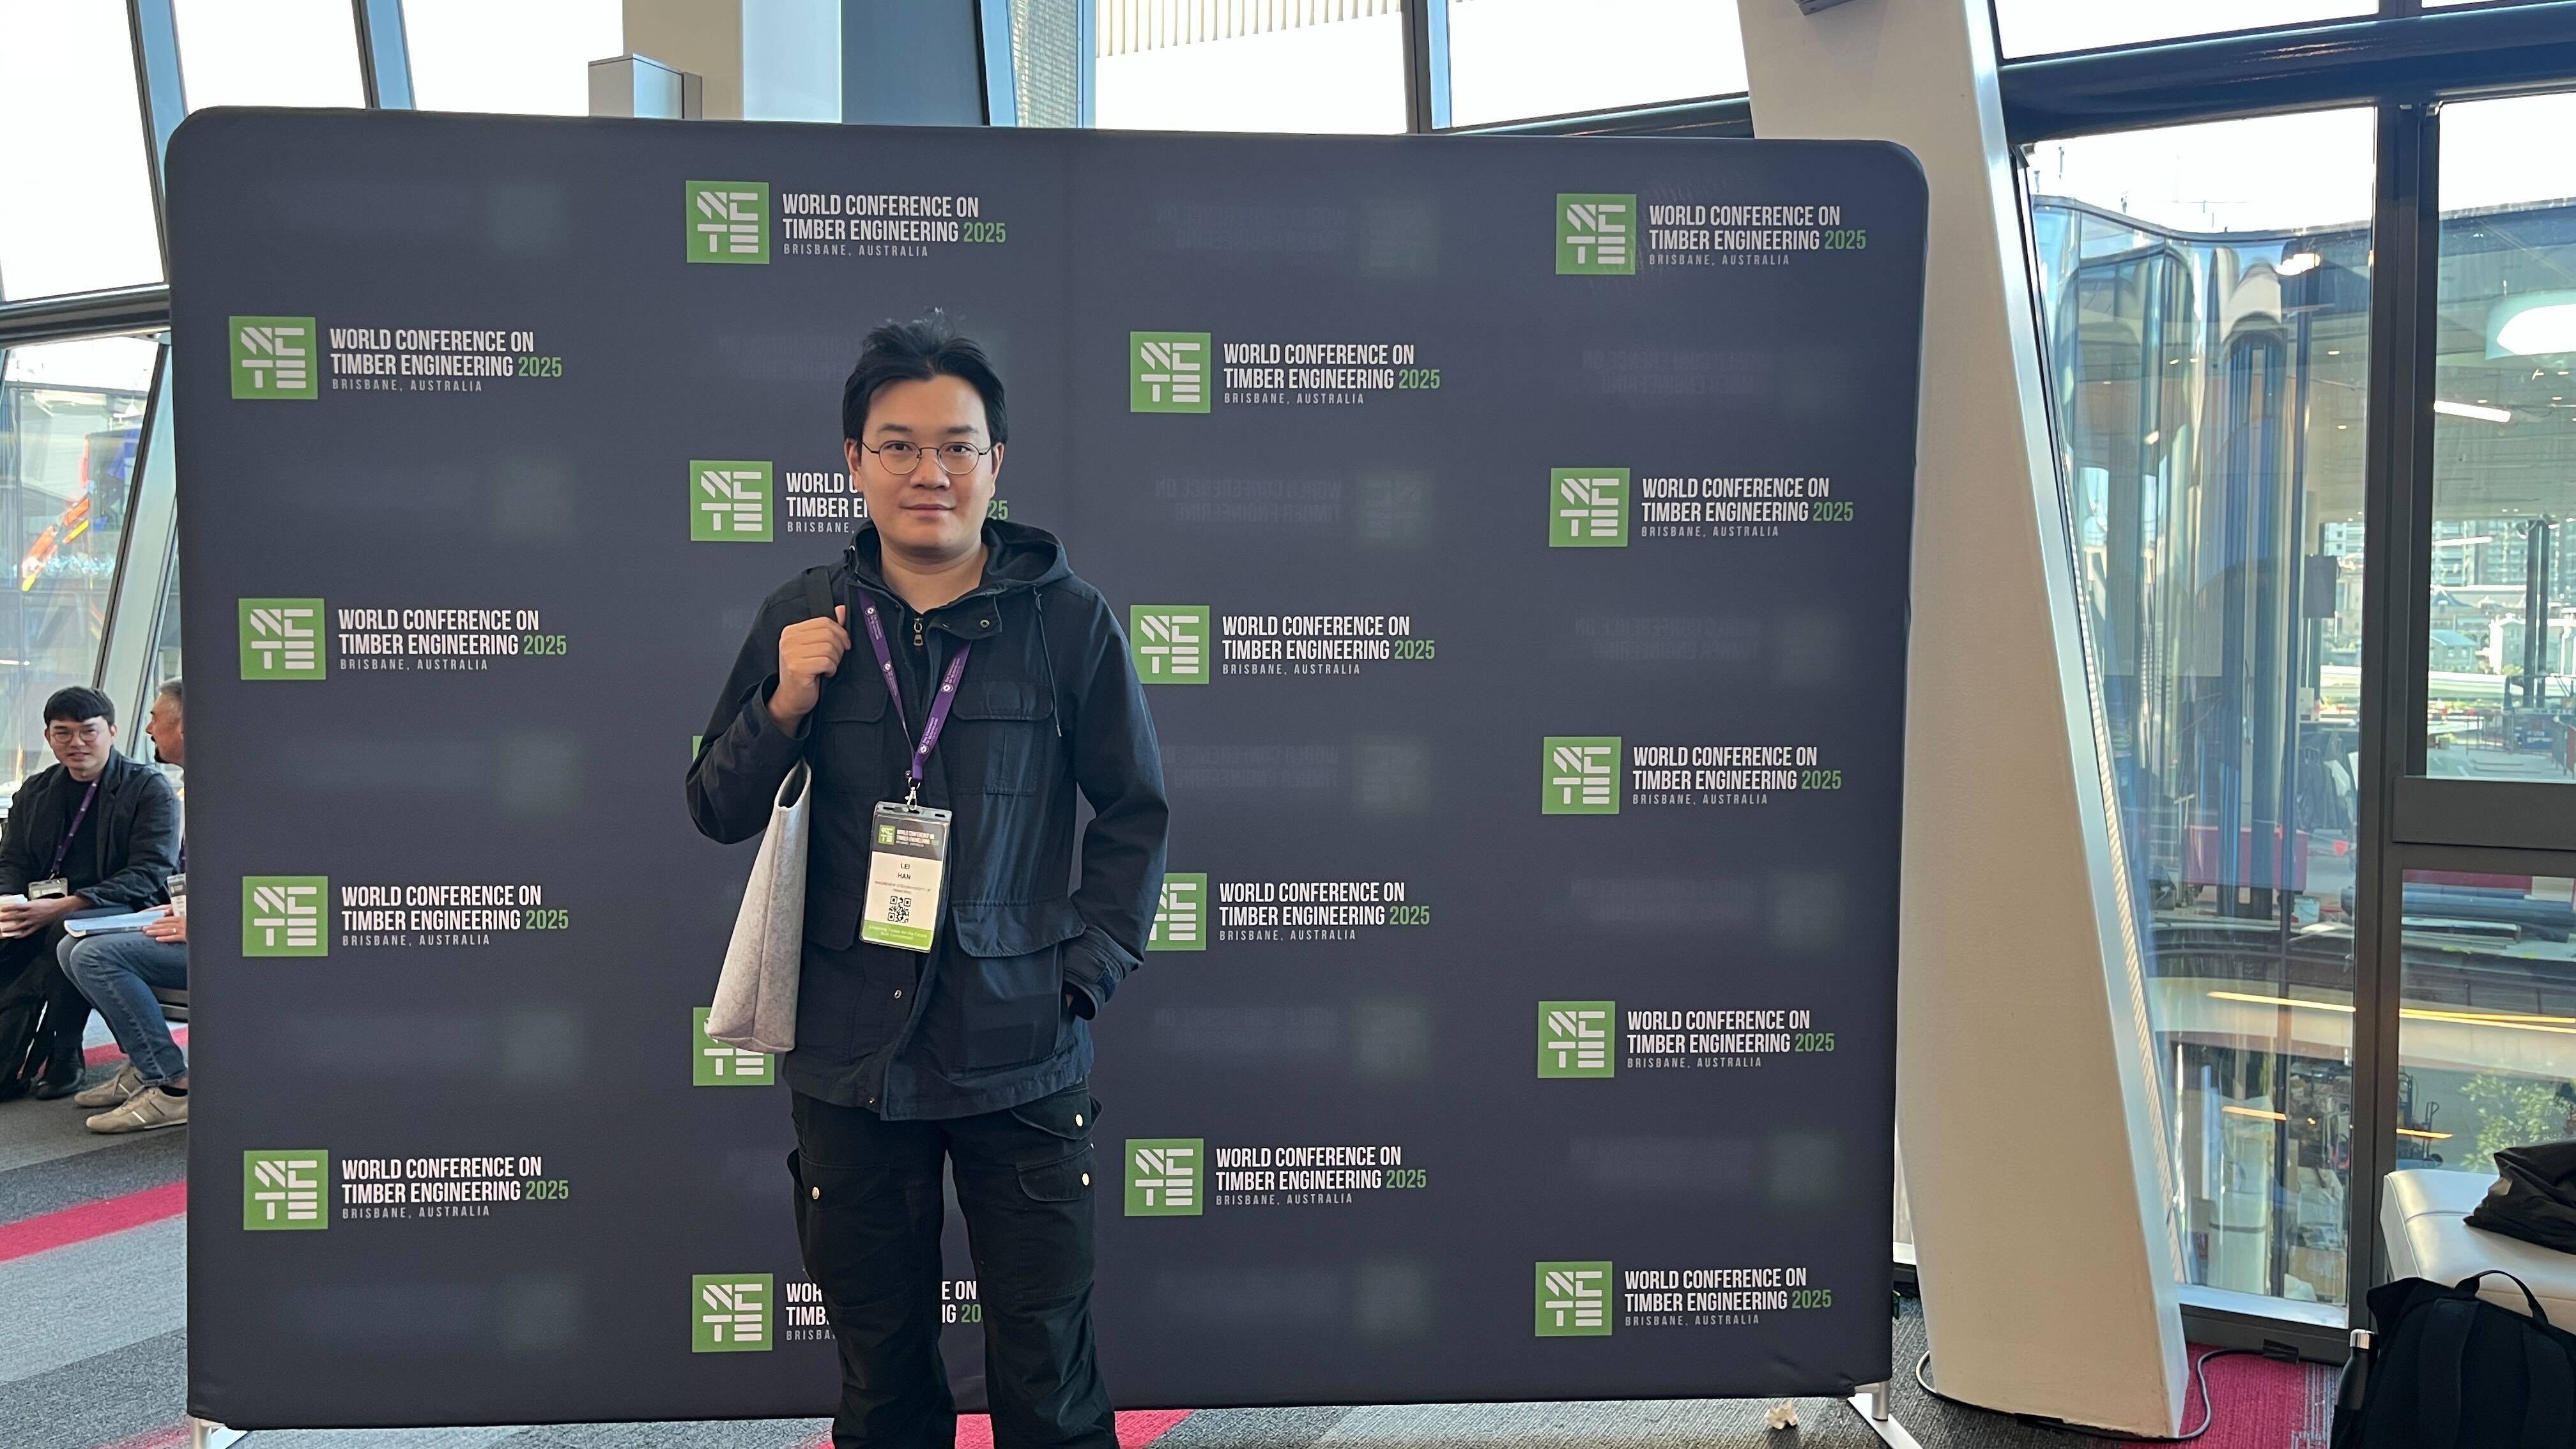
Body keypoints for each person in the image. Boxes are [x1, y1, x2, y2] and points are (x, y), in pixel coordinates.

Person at [688, 314, 1167, 1449]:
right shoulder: (802, 617)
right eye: (898, 446)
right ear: (853, 462)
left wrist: (1082, 974)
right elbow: (716, 806)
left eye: (956, 445)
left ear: (996, 463)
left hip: (1022, 1047)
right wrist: (783, 705)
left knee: (1049, 1379)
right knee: (883, 1383)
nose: (929, 472)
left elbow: (1134, 812)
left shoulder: (1068, 622)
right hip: (850, 1055)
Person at [0, 686, 182, 1101]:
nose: (76, 742)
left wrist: (69, 904)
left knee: (68, 929)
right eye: (63, 733)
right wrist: (9, 903)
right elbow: (12, 860)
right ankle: (12, 1049)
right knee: (20, 930)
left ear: (112, 731)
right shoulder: (36, 791)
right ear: (48, 737)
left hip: (122, 906)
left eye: (88, 731)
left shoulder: (148, 789)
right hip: (42, 905)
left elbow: (149, 872)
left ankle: (64, 1050)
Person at [62, 678, 190, 1131]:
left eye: (156, 718)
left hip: (238, 940)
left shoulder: (221, 791)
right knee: (71, 946)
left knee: (96, 956)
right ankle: (144, 1062)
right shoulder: (197, 786)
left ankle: (172, 1086)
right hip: (193, 920)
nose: (150, 728)